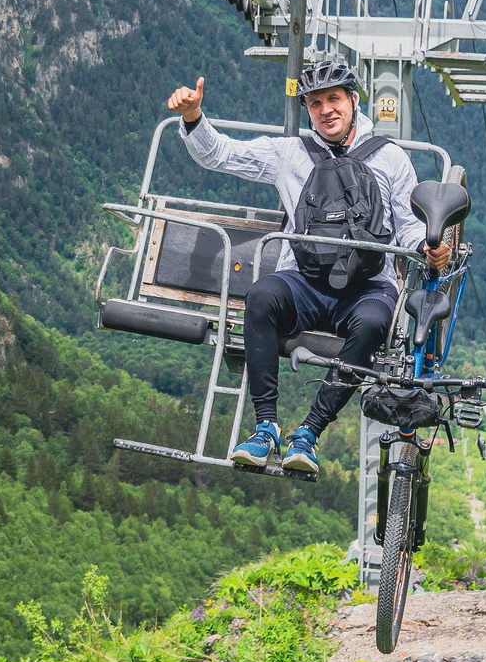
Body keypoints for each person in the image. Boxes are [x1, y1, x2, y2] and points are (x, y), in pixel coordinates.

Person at [162, 56, 452, 475]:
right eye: (315, 104)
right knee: (261, 296)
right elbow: (221, 155)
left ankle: (309, 434)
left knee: (372, 324)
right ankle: (265, 428)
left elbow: (407, 227)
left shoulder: (390, 158)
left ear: (353, 101)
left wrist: (430, 249)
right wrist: (193, 116)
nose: (325, 111)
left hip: (368, 285)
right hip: (305, 280)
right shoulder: (291, 153)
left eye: (334, 99)